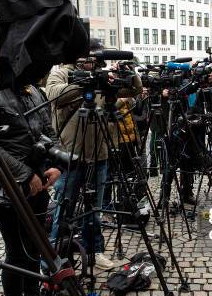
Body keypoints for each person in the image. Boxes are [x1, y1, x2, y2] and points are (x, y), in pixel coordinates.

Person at [0, 83, 67, 296]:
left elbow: (50, 132)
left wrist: (55, 165)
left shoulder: (35, 91)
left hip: (39, 183)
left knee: (35, 248)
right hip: (7, 187)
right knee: (16, 254)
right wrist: (24, 174)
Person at [45, 41, 141, 271]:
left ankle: (95, 251)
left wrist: (130, 72)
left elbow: (133, 90)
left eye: (94, 60)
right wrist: (85, 83)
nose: (91, 63)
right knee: (63, 211)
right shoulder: (62, 73)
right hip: (70, 156)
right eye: (87, 58)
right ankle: (52, 261)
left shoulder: (101, 78)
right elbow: (54, 96)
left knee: (95, 212)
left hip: (99, 156)